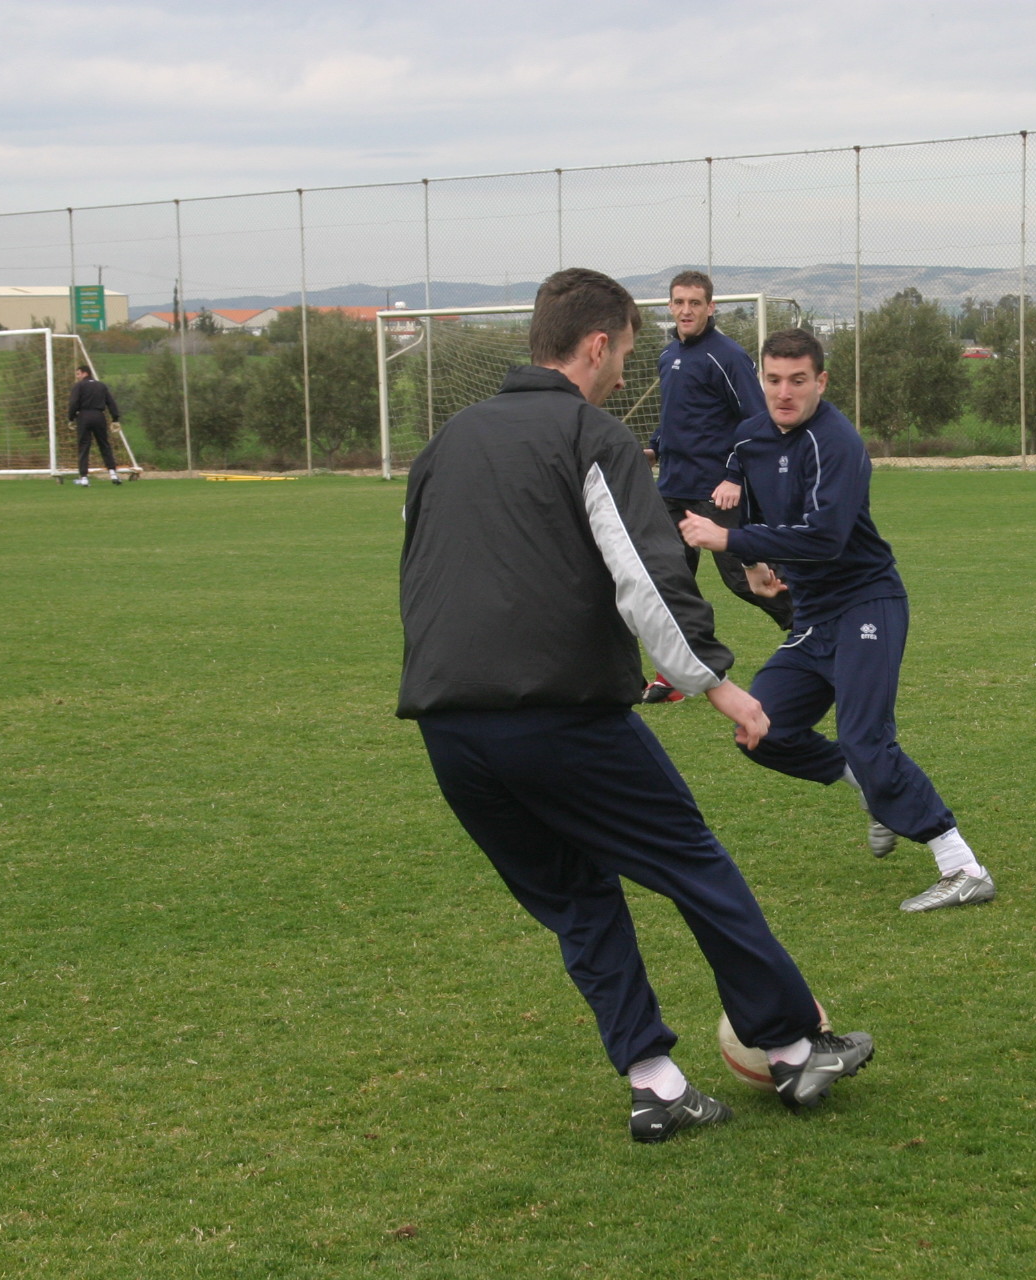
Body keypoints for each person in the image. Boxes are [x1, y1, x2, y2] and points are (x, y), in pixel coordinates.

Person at [398, 269, 873, 1142]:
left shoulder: (449, 440)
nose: (627, 370)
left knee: (579, 900)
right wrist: (718, 682)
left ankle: (656, 1083)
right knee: (693, 863)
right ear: (592, 346)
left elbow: (421, 574)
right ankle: (796, 1048)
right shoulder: (591, 434)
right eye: (623, 351)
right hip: (559, 718)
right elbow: (646, 579)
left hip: (448, 729)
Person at [680, 328, 994, 915]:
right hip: (815, 614)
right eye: (773, 380)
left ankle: (962, 865)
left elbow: (825, 538)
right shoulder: (750, 436)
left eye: (798, 380)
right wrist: (749, 561)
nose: (784, 392)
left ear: (820, 382)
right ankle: (873, 792)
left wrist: (727, 540)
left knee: (865, 738)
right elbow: (739, 491)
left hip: (866, 603)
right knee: (761, 730)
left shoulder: (837, 442)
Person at [639, 270, 791, 705]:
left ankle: (817, 631)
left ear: (711, 307)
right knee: (670, 583)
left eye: (695, 302)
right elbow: (676, 418)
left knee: (745, 580)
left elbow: (756, 423)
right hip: (672, 490)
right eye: (679, 302)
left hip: (716, 492)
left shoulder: (727, 356)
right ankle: (675, 674)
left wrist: (734, 476)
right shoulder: (668, 356)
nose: (686, 310)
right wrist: (653, 450)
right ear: (670, 306)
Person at [66, 364, 123, 486]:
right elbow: (110, 402)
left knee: (84, 446)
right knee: (104, 445)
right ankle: (113, 474)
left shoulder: (79, 386)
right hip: (99, 416)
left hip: (84, 416)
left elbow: (74, 403)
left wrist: (71, 418)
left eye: (78, 374)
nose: (77, 377)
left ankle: (84, 478)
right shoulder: (101, 385)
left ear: (85, 373)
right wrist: (115, 418)